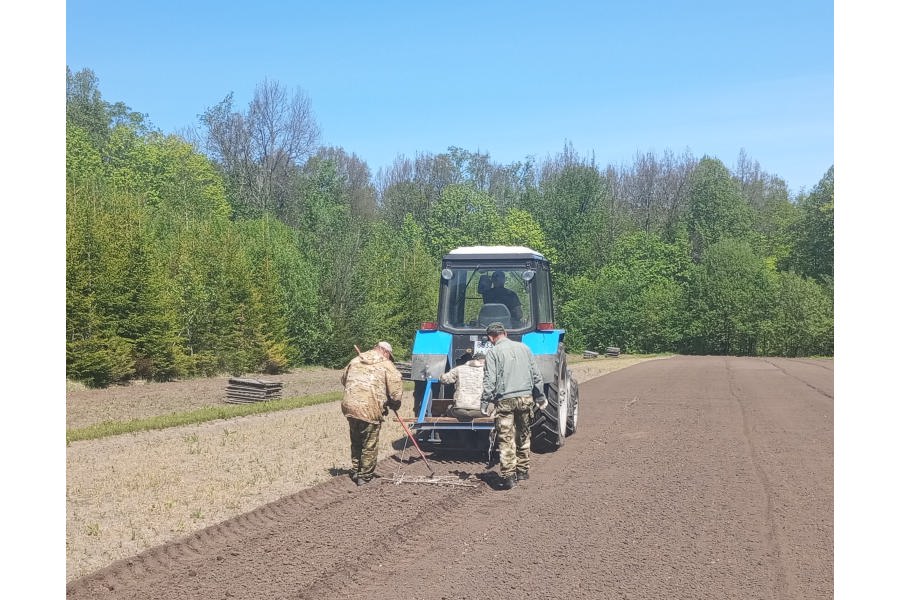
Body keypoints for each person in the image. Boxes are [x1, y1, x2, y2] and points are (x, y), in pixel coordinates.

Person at [481, 322, 547, 490]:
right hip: (526, 399)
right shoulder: (524, 348)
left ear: (491, 337)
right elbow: (536, 375)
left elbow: (490, 381)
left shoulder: (493, 353)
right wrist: (540, 396)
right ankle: (523, 471)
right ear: (506, 333)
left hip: (505, 401)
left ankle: (509, 476)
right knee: (524, 433)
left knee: (506, 438)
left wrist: (485, 402)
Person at [340, 341, 403, 486]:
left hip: (350, 406)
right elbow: (396, 392)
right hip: (369, 408)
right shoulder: (387, 365)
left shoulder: (355, 360)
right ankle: (365, 476)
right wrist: (394, 404)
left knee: (356, 440)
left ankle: (356, 470)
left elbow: (344, 380)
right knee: (369, 443)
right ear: (386, 352)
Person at [439, 351, 487, 420]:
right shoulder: (487, 371)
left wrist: (440, 377)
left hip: (460, 410)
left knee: (449, 408)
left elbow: (444, 379)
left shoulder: (459, 369)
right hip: (479, 411)